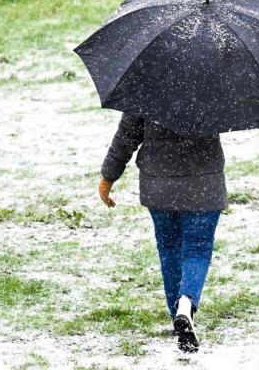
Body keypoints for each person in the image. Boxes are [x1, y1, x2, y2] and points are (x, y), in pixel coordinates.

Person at [98, 111, 227, 353]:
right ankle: (186, 305)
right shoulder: (218, 82)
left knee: (169, 249)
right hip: (205, 183)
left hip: (159, 183)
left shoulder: (146, 80)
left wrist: (109, 175)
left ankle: (175, 314)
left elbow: (127, 134)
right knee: (197, 249)